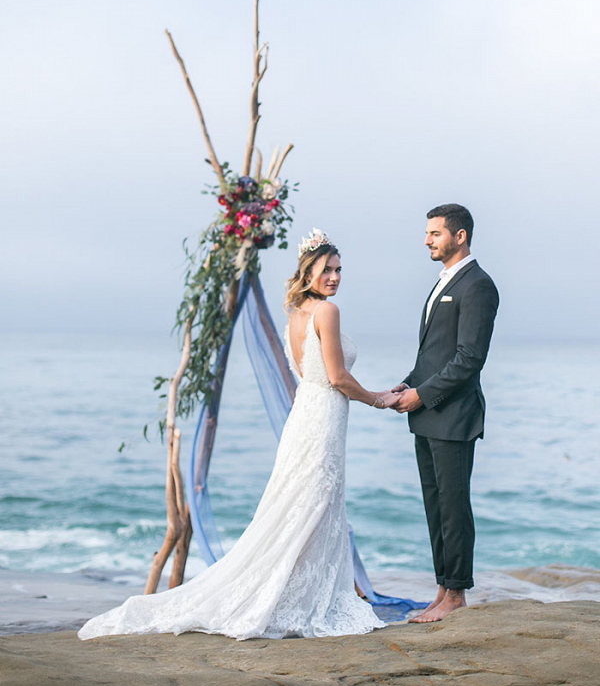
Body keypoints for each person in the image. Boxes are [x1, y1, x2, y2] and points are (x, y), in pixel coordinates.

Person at [79, 229, 400, 642]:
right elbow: (337, 377)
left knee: (302, 505)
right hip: (321, 417)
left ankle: (293, 593)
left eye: (339, 270)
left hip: (307, 415)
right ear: (309, 271)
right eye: (327, 269)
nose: (335, 277)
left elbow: (312, 374)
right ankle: (301, 598)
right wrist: (379, 399)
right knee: (312, 504)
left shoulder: (296, 313)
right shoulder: (327, 312)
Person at [393, 204, 499, 623]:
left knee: (454, 508)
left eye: (435, 233)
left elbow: (469, 358)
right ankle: (442, 588)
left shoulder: (479, 286)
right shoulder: (443, 282)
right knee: (435, 506)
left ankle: (456, 596)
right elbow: (434, 353)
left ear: (460, 237)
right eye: (427, 232)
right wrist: (408, 384)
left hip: (454, 417)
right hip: (428, 414)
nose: (426, 240)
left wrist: (423, 394)